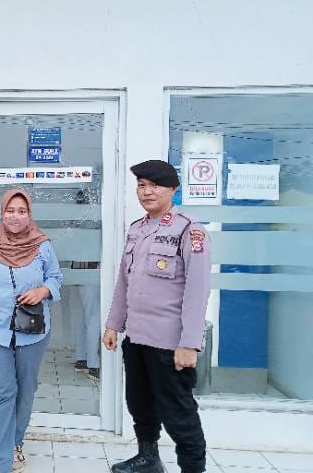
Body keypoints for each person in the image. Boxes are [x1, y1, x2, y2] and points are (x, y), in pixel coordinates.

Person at [102, 160, 210, 473]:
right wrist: (113, 324)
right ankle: (148, 458)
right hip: (136, 338)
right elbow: (124, 282)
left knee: (179, 415)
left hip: (169, 344)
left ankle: (193, 469)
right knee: (140, 404)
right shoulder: (137, 229)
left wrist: (189, 343)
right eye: (141, 185)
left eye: (155, 185)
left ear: (173, 189)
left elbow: (197, 290)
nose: (147, 192)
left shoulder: (189, 230)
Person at [0, 188, 63, 473]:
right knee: (0, 393)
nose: (15, 216)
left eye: (22, 211)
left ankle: (15, 442)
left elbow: (56, 277)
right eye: (10, 210)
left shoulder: (43, 245)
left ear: (29, 214)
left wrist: (43, 291)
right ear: (2, 213)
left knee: (25, 390)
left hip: (32, 333)